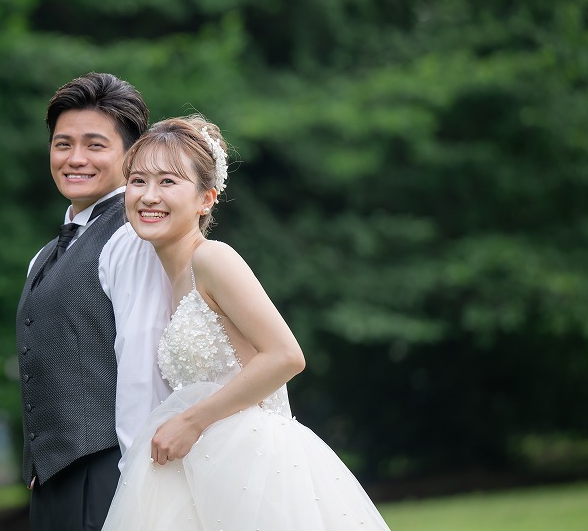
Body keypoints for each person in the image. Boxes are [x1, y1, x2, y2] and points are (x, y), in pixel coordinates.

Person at [103, 115, 392, 530]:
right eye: (138, 181)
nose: (149, 196)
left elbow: (286, 356)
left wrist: (191, 421)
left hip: (253, 463)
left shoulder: (213, 259)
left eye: (168, 182)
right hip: (208, 462)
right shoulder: (171, 277)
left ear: (206, 199)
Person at [16, 72, 173, 531]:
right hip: (54, 483)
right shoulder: (44, 256)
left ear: (132, 154)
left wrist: (137, 484)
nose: (75, 159)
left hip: (111, 474)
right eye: (62, 144)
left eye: (95, 145)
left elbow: (142, 365)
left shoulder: (132, 238)